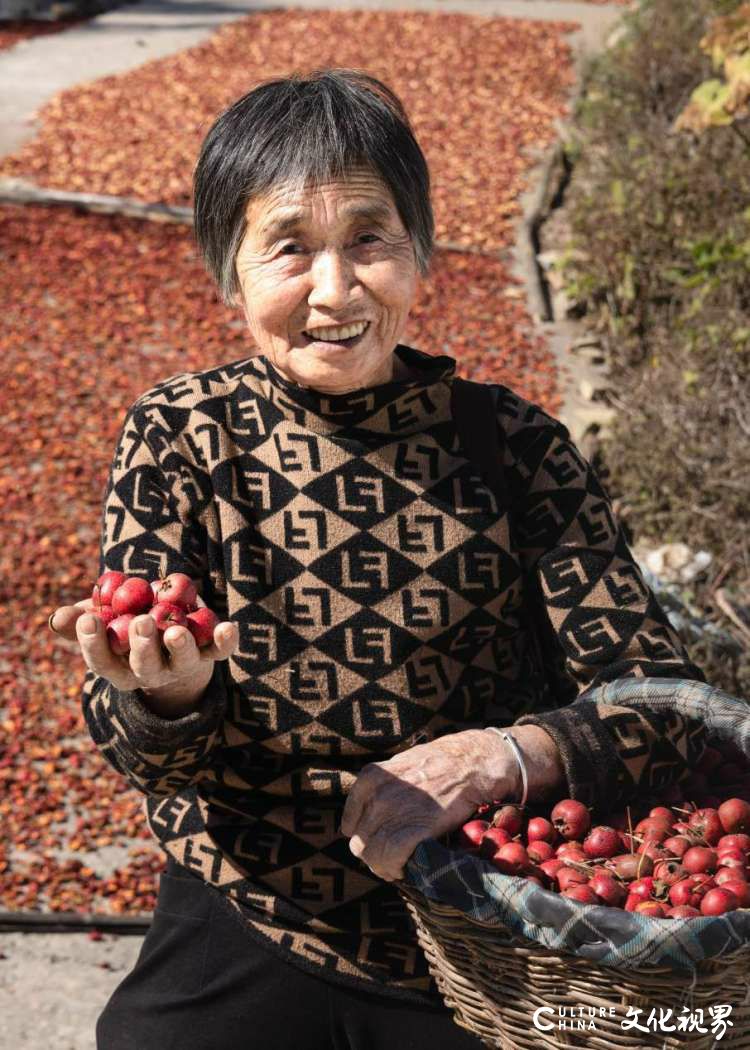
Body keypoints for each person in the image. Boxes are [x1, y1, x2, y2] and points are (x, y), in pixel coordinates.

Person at [49, 69, 706, 1050]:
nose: (335, 289)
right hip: (250, 910)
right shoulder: (185, 437)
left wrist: (508, 757)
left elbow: (664, 703)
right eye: (288, 249)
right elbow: (138, 739)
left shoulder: (514, 449)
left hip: (486, 932)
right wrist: (171, 695)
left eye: (369, 239)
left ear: (421, 250)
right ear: (228, 268)